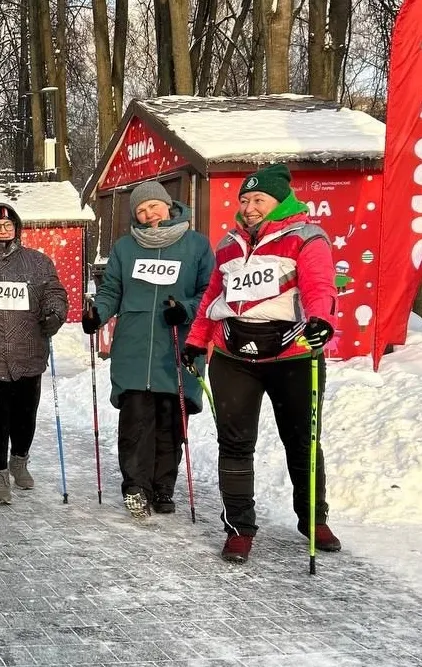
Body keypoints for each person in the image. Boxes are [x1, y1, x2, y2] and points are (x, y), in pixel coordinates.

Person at [182, 163, 340, 563]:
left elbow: (320, 285)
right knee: (235, 443)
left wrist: (322, 320)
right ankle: (239, 528)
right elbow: (211, 299)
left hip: (293, 353)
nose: (249, 207)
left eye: (258, 199)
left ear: (279, 201)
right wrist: (196, 341)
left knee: (302, 441)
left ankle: (313, 519)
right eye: (244, 199)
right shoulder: (229, 244)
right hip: (235, 354)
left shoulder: (306, 236)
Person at [82, 181, 214, 519]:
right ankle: (135, 488)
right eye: (140, 211)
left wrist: (184, 308)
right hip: (135, 348)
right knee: (135, 422)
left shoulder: (197, 245)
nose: (148, 215)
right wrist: (99, 312)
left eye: (152, 207)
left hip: (176, 346)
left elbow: (210, 293)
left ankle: (162, 488)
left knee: (171, 423)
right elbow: (112, 289)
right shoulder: (125, 248)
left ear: (168, 206)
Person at [0, 203, 68, 504]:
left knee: (24, 417)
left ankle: (19, 458)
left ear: (17, 228)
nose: (3, 230)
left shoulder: (38, 262)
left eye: (8, 225)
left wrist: (55, 312)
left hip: (28, 351)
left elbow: (54, 292)